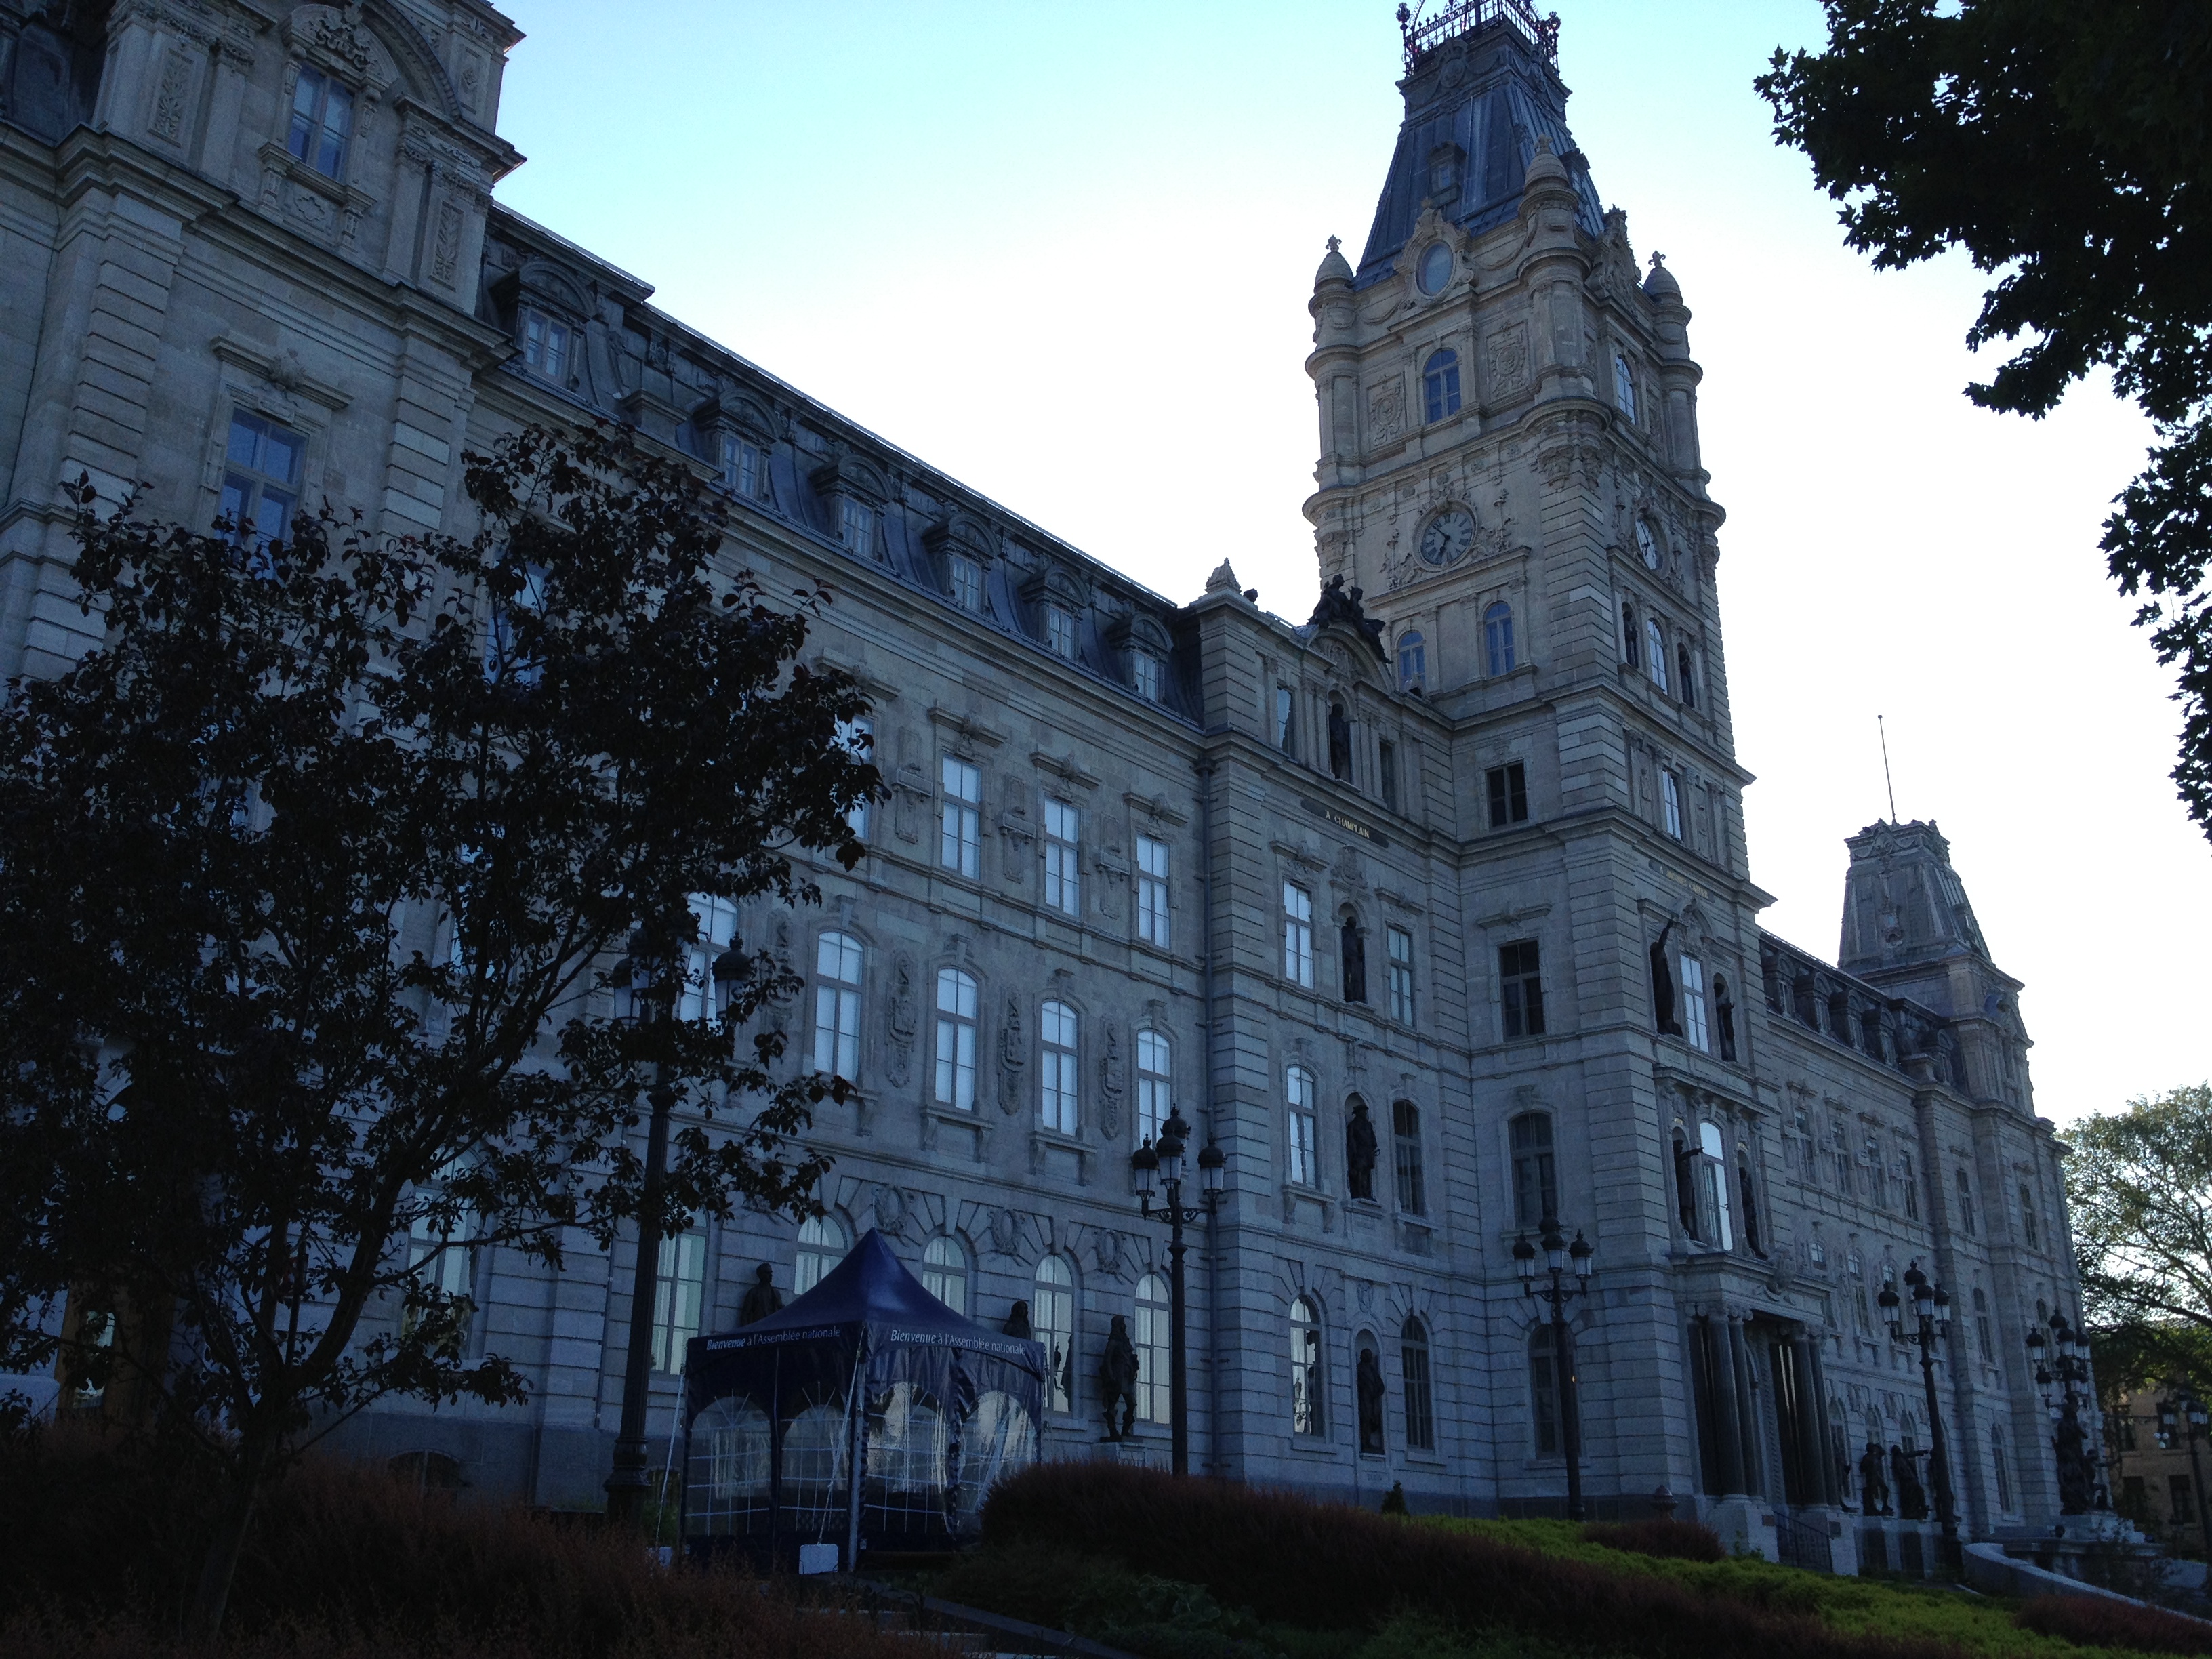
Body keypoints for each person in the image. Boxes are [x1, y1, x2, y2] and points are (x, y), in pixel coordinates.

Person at [1099, 1315, 1140, 1441]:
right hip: (1117, 1377)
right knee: (1112, 1404)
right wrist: (1111, 1375)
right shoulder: (1113, 1341)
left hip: (1127, 1377)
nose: (1125, 1326)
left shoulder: (1125, 1341)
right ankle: (1113, 1430)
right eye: (1123, 1324)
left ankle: (1125, 1430)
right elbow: (1107, 1359)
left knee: (1132, 1404)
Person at [1346, 1101, 1379, 1202]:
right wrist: (1354, 1153)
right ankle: (1359, 1192)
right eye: (1363, 1111)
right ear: (1358, 1113)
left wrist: (1373, 1145)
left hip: (1367, 1152)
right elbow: (1351, 1140)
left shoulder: (1368, 1125)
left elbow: (1372, 1138)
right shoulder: (1353, 1125)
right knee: (1360, 1171)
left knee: (1366, 1173)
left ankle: (1366, 1192)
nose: (1365, 1113)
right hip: (1359, 1152)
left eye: (1365, 1112)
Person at [737, 1263, 782, 1327]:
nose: (770, 1275)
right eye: (767, 1273)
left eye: (771, 1273)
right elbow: (745, 1314)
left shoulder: (776, 1293)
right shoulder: (753, 1293)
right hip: (757, 1328)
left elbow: (781, 1313)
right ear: (761, 1275)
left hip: (772, 1328)